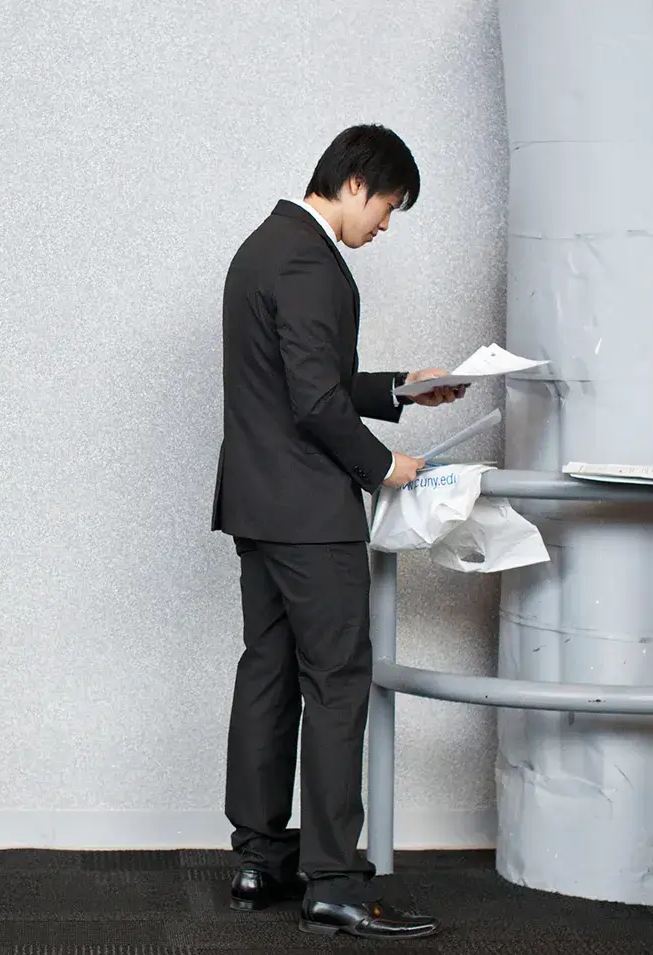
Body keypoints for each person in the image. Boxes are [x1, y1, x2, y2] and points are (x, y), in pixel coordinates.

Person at [209, 123, 465, 940]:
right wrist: (382, 464)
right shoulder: (312, 261)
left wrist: (399, 388)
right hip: (310, 516)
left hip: (257, 505)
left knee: (269, 672)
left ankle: (259, 857)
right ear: (356, 182)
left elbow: (302, 375)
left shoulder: (264, 246)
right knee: (338, 682)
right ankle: (334, 880)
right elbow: (315, 402)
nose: (384, 226)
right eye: (388, 207)